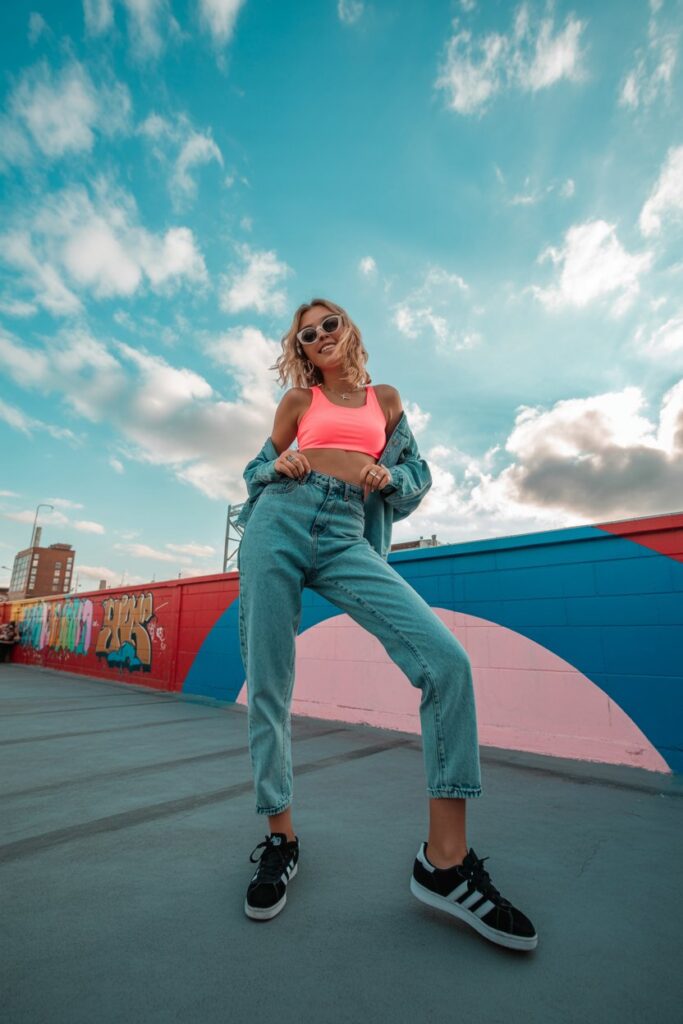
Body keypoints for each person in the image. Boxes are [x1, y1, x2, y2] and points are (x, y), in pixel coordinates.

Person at [237, 298, 537, 950]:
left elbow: (416, 475)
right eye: (306, 333)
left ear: (349, 330)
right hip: (279, 523)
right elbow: (254, 470)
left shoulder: (386, 400)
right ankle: (279, 839)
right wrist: (276, 466)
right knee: (268, 686)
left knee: (446, 663)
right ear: (301, 346)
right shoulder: (296, 402)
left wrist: (389, 475)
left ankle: (445, 862)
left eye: (328, 324)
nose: (318, 336)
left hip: (347, 533)